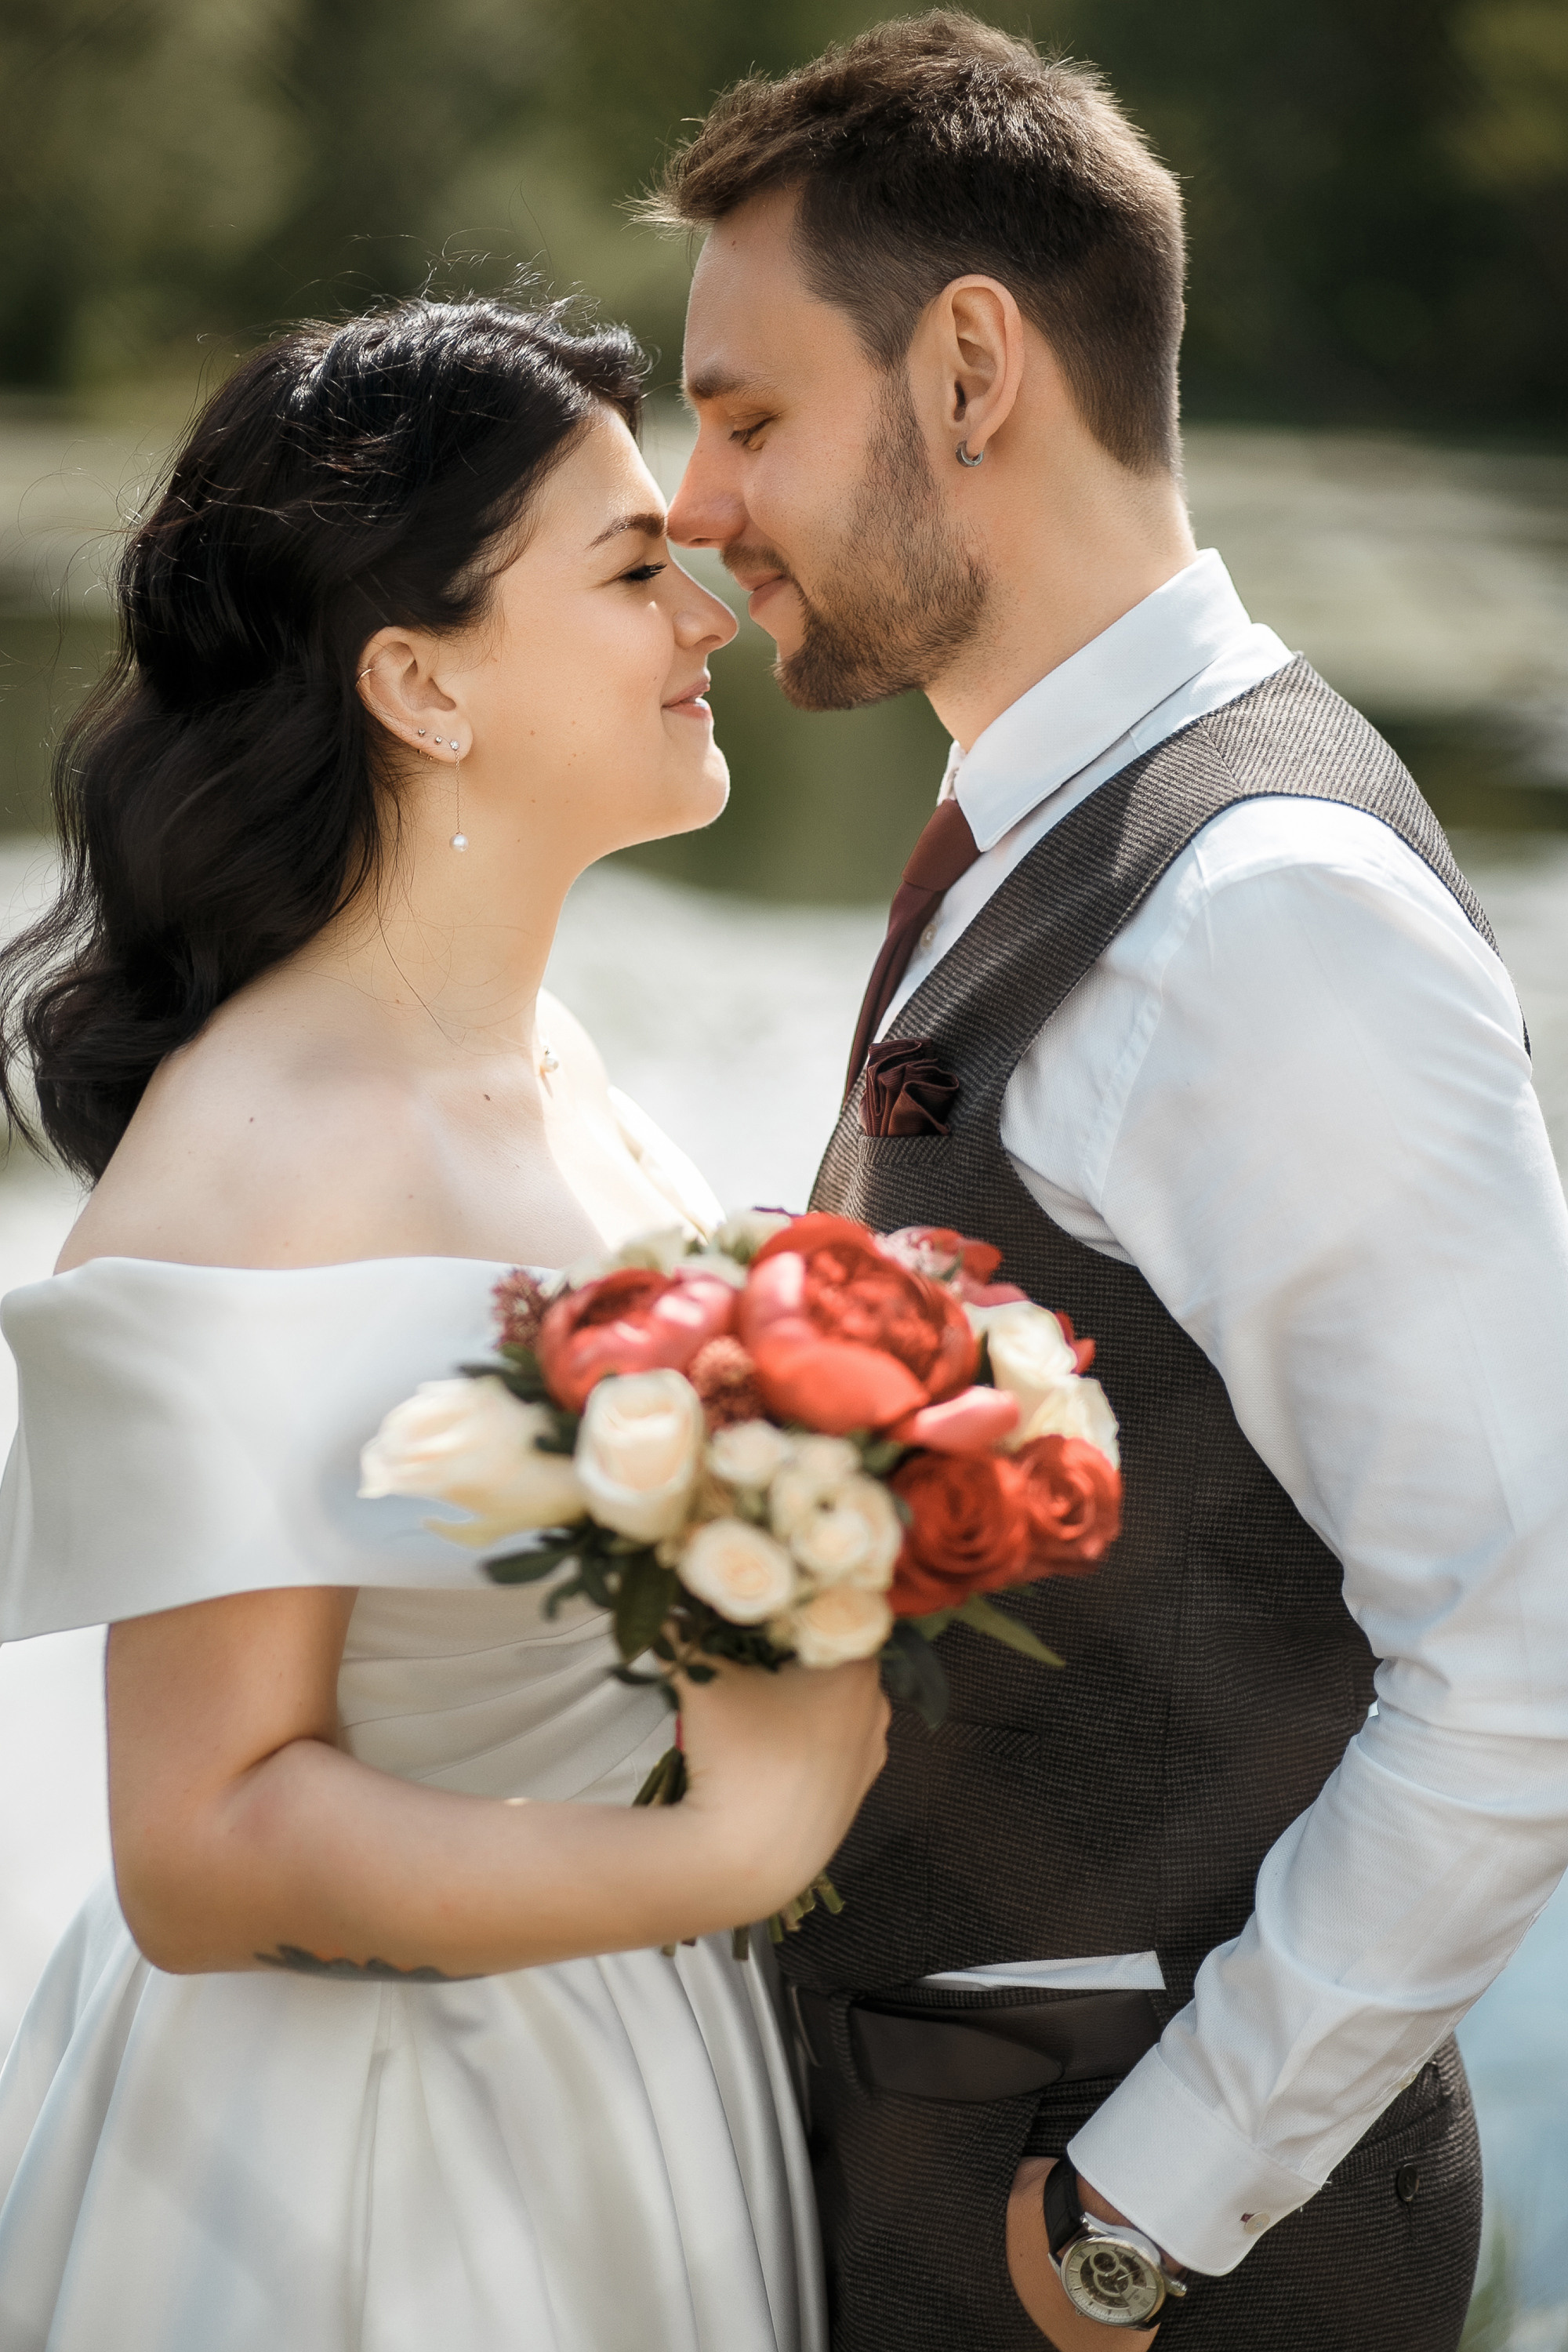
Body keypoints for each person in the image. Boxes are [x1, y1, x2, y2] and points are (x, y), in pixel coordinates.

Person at [653, 13, 1568, 2351]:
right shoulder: (1039, 831)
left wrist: (1136, 2217)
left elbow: (1527, 1664)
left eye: (749, 412)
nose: (695, 501)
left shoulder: (1267, 911)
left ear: (972, 371)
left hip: (1137, 2253)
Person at [0, 292, 889, 2351]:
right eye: (630, 571)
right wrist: (737, 1845)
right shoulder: (262, 1163)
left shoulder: (554, 1057)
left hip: (633, 2088)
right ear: (420, 682)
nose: (711, 619)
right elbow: (200, 1848)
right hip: (374, 2180)